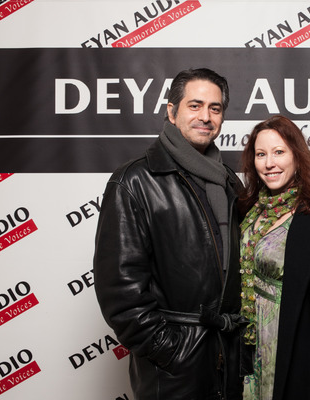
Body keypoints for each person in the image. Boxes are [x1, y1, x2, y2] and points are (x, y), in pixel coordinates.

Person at [93, 68, 245, 400]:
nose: (205, 116)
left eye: (215, 108)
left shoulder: (230, 181)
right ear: (172, 112)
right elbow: (119, 290)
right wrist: (171, 352)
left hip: (228, 360)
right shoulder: (135, 181)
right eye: (195, 105)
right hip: (176, 367)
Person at [237, 115, 310, 400]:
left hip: (290, 357)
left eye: (279, 152)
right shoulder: (247, 213)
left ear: (297, 157)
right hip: (243, 354)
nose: (269, 163)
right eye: (261, 154)